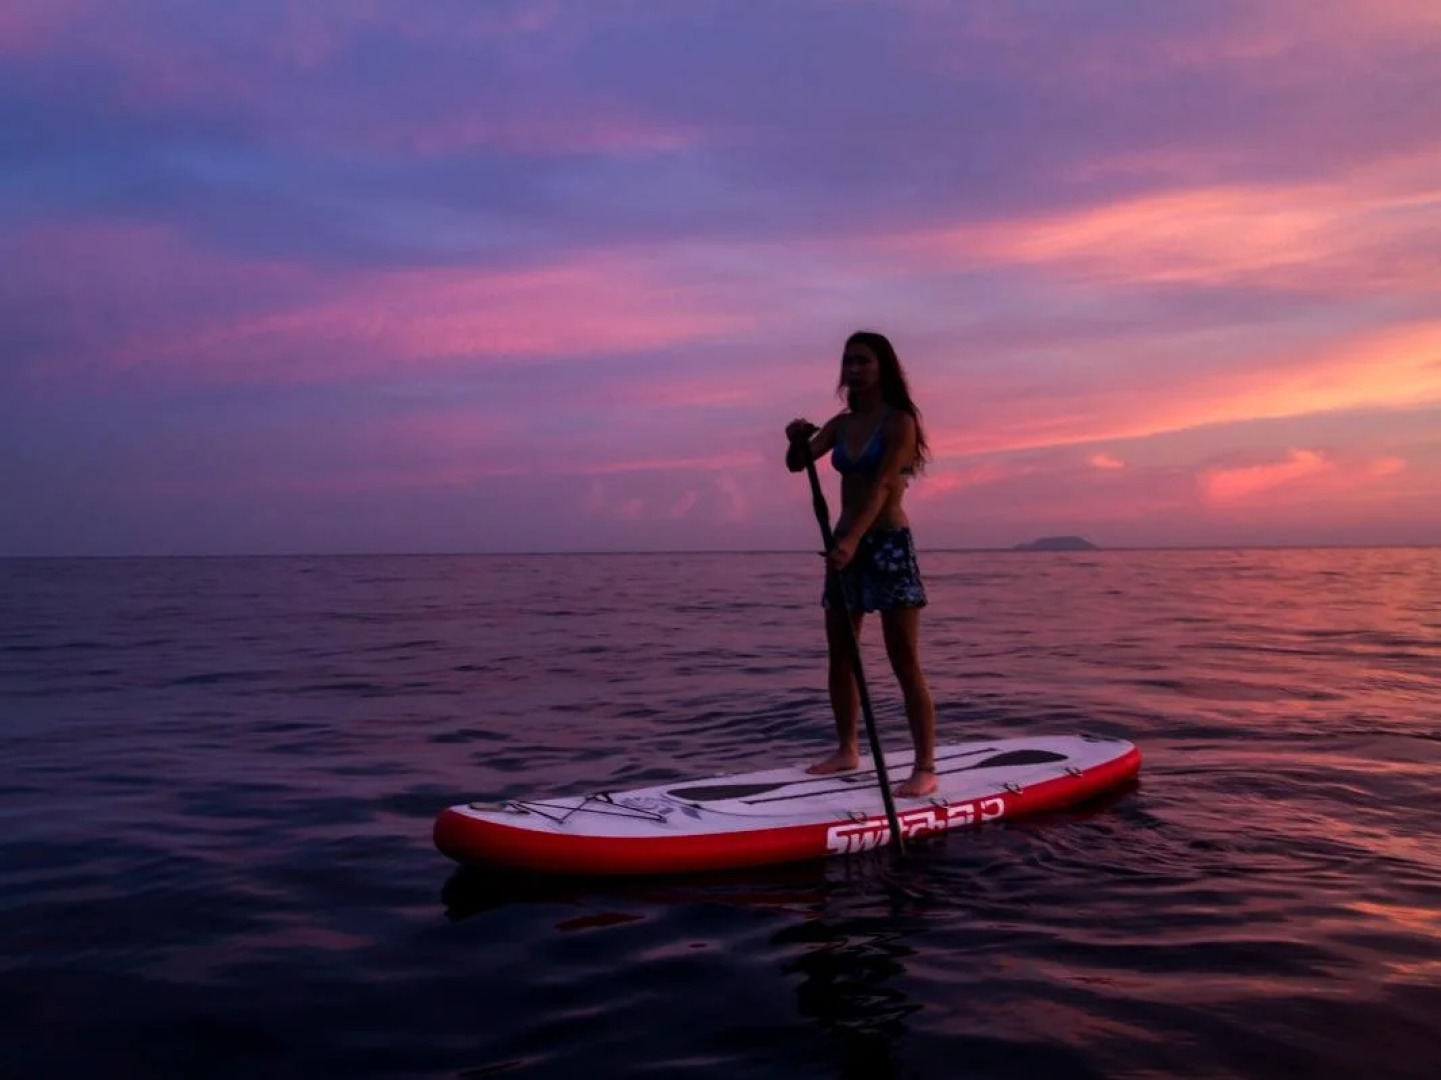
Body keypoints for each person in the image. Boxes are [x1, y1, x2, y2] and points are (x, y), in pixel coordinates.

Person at [784, 330, 938, 798]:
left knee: (903, 658)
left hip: (886, 544)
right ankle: (847, 749)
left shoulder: (900, 423)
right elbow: (798, 463)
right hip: (843, 547)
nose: (853, 369)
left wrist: (851, 540)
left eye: (863, 361)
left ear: (883, 367)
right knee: (841, 653)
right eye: (848, 361)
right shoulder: (842, 424)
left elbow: (884, 487)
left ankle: (925, 766)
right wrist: (795, 439)